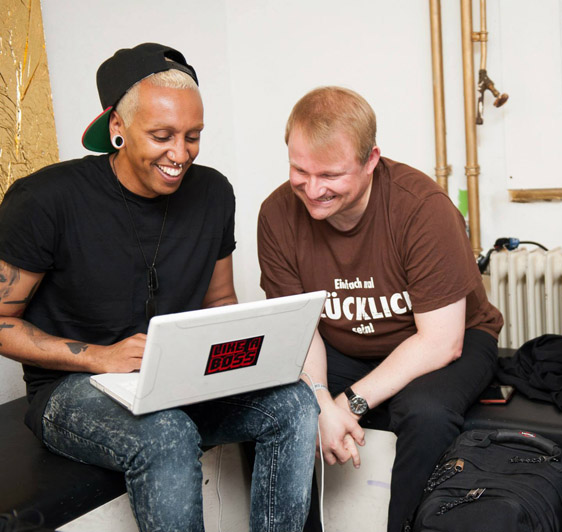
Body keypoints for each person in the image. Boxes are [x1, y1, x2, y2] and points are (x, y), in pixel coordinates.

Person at [0, 43, 318, 532]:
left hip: (180, 380)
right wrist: (99, 357)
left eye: (193, 136)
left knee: (294, 403)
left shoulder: (213, 193)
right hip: (71, 388)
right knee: (164, 433)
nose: (180, 154)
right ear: (118, 127)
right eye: (162, 135)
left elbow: (219, 302)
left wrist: (240, 360)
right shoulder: (44, 199)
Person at [257, 86, 503, 532]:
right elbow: (302, 332)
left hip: (448, 340)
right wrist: (318, 403)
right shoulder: (276, 215)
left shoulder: (422, 209)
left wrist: (348, 404)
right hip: (342, 345)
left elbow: (440, 342)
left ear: (371, 160)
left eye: (330, 174)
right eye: (299, 170)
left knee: (425, 413)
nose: (312, 189)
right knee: (283, 408)